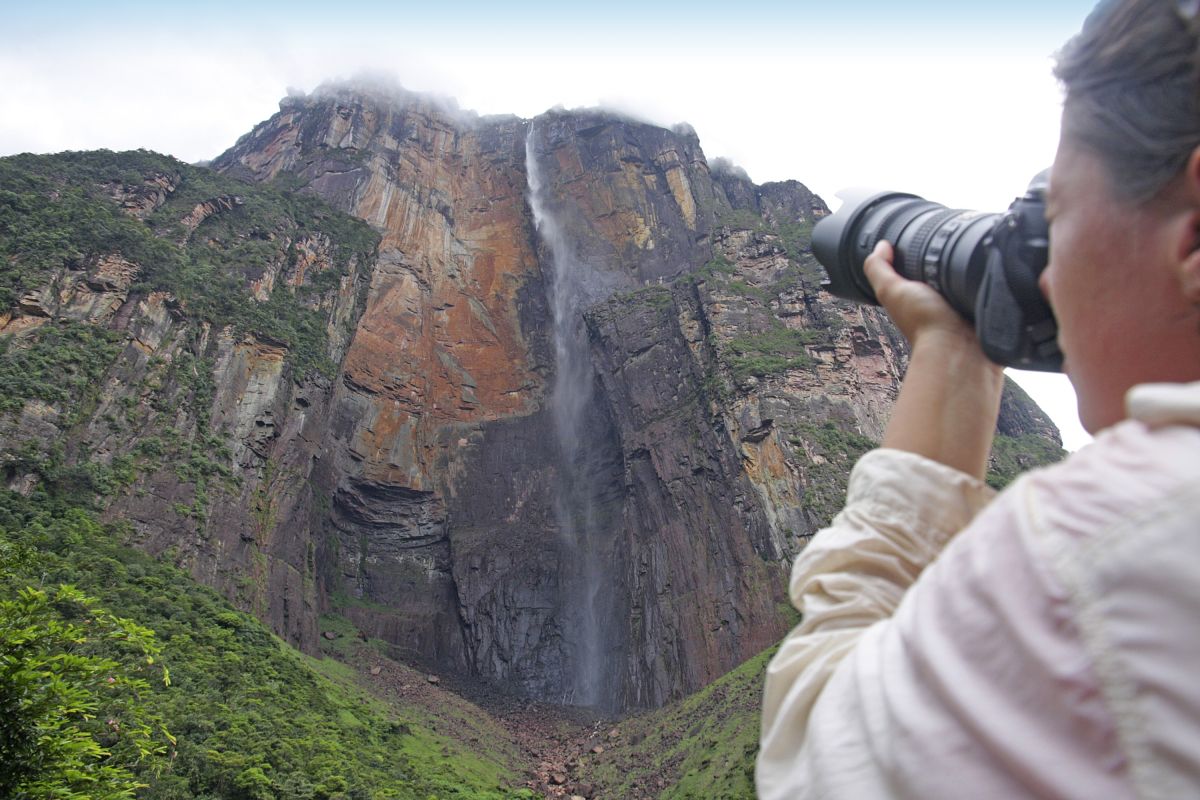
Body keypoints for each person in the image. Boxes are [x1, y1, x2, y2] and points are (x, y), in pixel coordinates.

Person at [756, 0, 1200, 797]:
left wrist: (951, 347)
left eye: (1054, 216)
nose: (1046, 278)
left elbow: (818, 760)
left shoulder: (1099, 553)